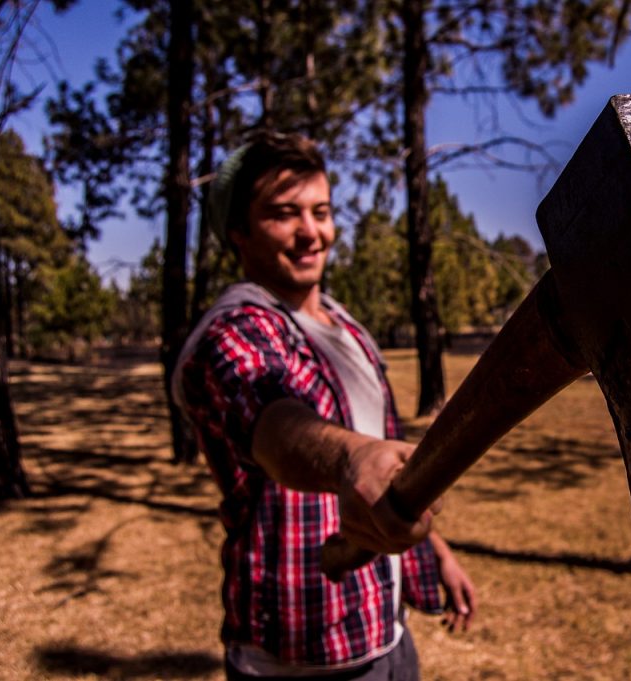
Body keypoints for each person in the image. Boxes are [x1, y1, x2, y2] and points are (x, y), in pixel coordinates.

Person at [173, 131, 475, 680]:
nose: (311, 232)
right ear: (238, 231)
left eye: (321, 211)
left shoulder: (349, 331)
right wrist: (350, 459)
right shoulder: (234, 331)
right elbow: (275, 426)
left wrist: (438, 551)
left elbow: (388, 478)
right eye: (285, 214)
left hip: (386, 633)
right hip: (298, 657)